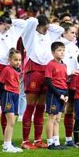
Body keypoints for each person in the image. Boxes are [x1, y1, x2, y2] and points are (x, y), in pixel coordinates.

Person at [0, 14, 27, 152]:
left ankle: (6, 141)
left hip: (8, 69)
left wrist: (10, 20)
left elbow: (26, 23)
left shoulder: (12, 30)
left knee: (6, 109)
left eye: (9, 27)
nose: (8, 30)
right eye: (5, 27)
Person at [20, 15, 65, 150]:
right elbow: (31, 21)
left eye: (47, 28)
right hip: (33, 71)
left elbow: (60, 29)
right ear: (38, 26)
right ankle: (25, 140)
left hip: (46, 72)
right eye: (44, 28)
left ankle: (38, 139)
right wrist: (40, 23)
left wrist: (47, 25)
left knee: (40, 107)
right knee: (30, 106)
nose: (47, 30)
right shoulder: (29, 35)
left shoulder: (49, 35)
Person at [59, 22, 79, 147]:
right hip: (62, 81)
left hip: (74, 81)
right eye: (72, 32)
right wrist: (68, 72)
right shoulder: (60, 45)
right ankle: (55, 139)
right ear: (64, 33)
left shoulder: (74, 46)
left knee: (71, 109)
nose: (74, 35)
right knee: (58, 111)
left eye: (75, 33)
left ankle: (69, 138)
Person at [0, 49, 23, 153]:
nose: (18, 62)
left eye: (20, 60)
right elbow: (0, 84)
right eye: (15, 60)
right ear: (10, 60)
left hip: (15, 95)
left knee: (12, 122)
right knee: (11, 121)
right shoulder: (7, 70)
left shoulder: (18, 71)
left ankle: (8, 144)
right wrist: (0, 98)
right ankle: (6, 145)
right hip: (8, 94)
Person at [44, 42, 69, 150]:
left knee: (58, 118)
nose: (62, 52)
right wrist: (58, 94)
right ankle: (50, 143)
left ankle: (57, 142)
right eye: (59, 50)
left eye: (63, 50)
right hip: (54, 94)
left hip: (62, 93)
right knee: (52, 117)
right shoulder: (50, 65)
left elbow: (65, 80)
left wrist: (66, 93)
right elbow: (48, 82)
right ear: (53, 53)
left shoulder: (64, 65)